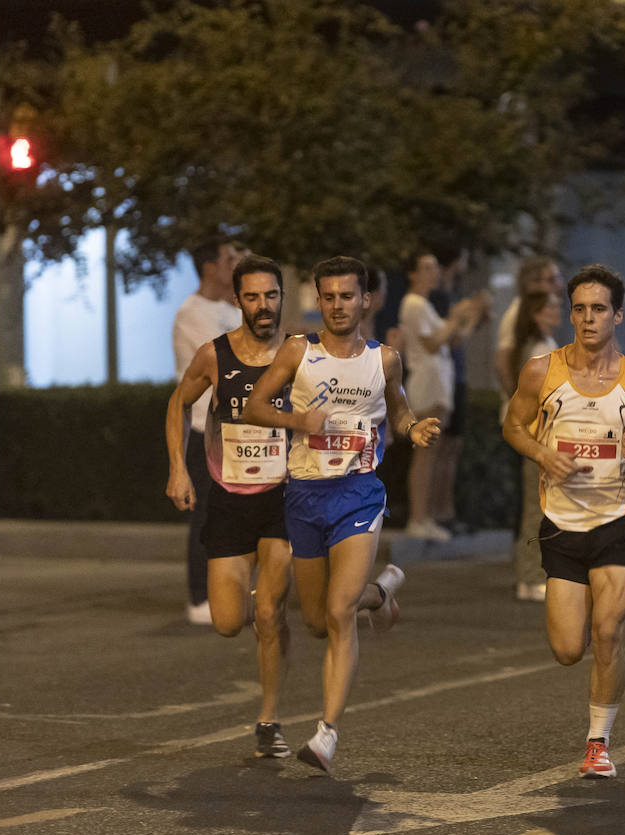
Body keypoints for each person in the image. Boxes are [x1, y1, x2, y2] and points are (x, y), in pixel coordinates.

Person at [243, 255, 440, 774]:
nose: (337, 305)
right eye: (328, 297)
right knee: (315, 621)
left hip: (358, 494)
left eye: (347, 296)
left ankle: (326, 733)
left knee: (337, 612)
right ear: (318, 300)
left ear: (365, 300)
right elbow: (254, 406)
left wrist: (414, 427)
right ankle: (379, 595)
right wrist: (298, 420)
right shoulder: (297, 352)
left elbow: (398, 409)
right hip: (305, 496)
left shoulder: (385, 359)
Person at [502, 263, 625, 779]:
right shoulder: (541, 372)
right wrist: (542, 454)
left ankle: (599, 742)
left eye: (599, 309)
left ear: (618, 315)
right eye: (580, 309)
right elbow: (513, 425)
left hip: (619, 521)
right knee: (567, 649)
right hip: (562, 525)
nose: (588, 318)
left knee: (608, 631)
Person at [165, 255, 301, 756]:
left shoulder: (301, 355)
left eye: (271, 295)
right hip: (229, 499)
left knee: (268, 613)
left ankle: (269, 719)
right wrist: (178, 469)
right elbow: (178, 403)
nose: (263, 305)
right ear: (238, 300)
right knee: (227, 622)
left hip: (283, 500)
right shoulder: (215, 355)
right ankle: (263, 601)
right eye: (252, 296)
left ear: (282, 297)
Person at [171, 238, 243, 624]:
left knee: (236, 515)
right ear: (210, 267)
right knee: (206, 516)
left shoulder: (230, 309)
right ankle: (200, 597)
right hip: (204, 428)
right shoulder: (191, 312)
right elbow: (225, 360)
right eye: (229, 259)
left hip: (239, 429)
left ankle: (229, 592)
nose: (235, 265)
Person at [398, 250, 484, 541]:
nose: (433, 273)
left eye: (435, 267)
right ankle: (418, 518)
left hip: (437, 382)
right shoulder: (413, 303)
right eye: (426, 267)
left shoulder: (424, 305)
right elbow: (433, 344)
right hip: (427, 382)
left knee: (432, 455)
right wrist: (456, 317)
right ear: (412, 274)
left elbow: (453, 339)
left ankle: (427, 516)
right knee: (425, 454)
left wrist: (469, 317)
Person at [506, 289, 563, 601]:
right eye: (549, 308)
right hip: (539, 435)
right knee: (537, 508)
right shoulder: (540, 349)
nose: (557, 312)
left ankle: (534, 575)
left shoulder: (542, 345)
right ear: (535, 315)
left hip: (538, 434)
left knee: (542, 507)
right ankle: (529, 577)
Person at [496, 256, 564, 402]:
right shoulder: (516, 314)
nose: (559, 284)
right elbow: (503, 361)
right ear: (533, 284)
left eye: (559, 278)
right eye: (552, 280)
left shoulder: (541, 329)